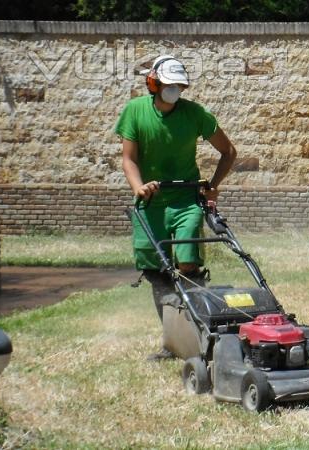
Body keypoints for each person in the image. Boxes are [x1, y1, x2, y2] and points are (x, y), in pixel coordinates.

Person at [115, 55, 237, 360]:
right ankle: (173, 339)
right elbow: (128, 159)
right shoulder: (135, 111)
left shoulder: (195, 114)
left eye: (179, 86)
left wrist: (213, 185)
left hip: (186, 200)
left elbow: (228, 151)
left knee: (186, 263)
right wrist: (139, 187)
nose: (174, 90)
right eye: (169, 85)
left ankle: (199, 331)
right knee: (156, 271)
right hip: (151, 203)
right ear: (154, 83)